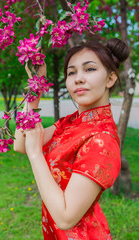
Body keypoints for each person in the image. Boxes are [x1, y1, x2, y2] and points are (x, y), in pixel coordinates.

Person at [14, 38, 129, 240]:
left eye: (90, 69)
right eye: (71, 72)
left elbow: (66, 218)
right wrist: (37, 85)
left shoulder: (102, 140)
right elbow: (21, 144)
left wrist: (36, 154)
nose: (78, 79)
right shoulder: (73, 122)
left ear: (110, 79)